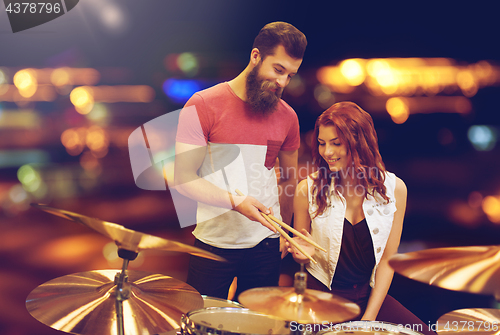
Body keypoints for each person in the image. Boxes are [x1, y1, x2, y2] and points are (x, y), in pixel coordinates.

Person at [174, 22, 307, 300]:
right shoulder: (201, 104)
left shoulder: (288, 117)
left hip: (266, 244)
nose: (282, 82)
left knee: (258, 327)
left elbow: (288, 180)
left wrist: (285, 230)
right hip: (212, 242)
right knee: (202, 324)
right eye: (278, 70)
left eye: (290, 75)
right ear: (255, 56)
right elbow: (183, 177)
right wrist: (236, 202)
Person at [288, 102, 435, 335]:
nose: (327, 152)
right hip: (321, 297)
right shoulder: (307, 190)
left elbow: (388, 260)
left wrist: (368, 320)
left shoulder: (396, 189)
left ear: (360, 144)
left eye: (336, 143)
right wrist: (303, 256)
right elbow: (302, 260)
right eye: (322, 143)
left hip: (369, 298)